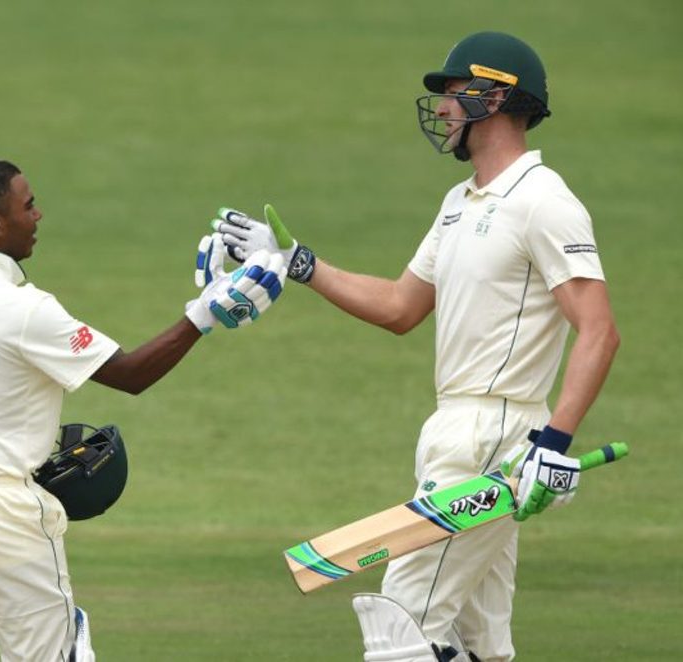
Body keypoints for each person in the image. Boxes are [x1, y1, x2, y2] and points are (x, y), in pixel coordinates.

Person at [212, 32, 620, 661]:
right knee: (480, 643)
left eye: (456, 93)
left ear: (497, 96)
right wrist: (296, 261)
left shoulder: (543, 202)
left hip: (497, 435)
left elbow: (598, 329)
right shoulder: (459, 204)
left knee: (400, 624)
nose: (445, 107)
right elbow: (401, 307)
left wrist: (555, 444)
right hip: (454, 429)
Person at [0, 160, 286, 662]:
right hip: (0, 511)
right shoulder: (26, 309)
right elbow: (131, 375)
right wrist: (204, 313)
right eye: (27, 206)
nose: (38, 214)